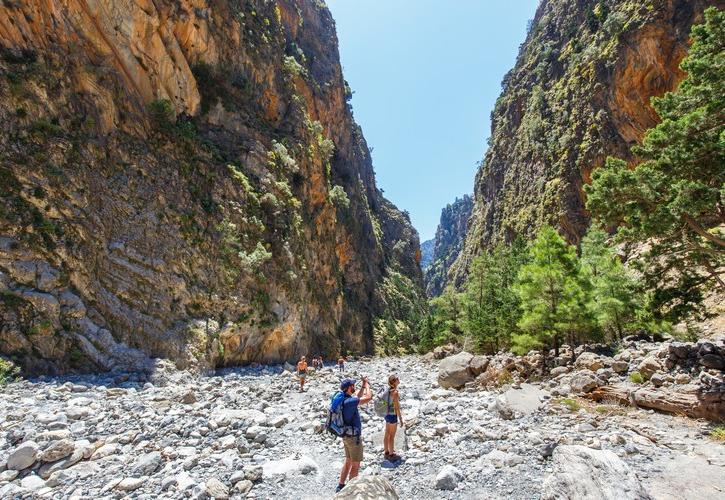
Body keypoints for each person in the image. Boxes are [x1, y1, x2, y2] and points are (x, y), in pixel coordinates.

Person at [336, 377, 372, 493]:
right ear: (348, 388)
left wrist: (362, 386)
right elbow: (368, 397)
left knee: (348, 461)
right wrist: (367, 385)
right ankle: (350, 492)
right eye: (353, 386)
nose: (354, 387)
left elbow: (358, 397)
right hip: (353, 438)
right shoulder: (350, 402)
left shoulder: (344, 400)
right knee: (355, 465)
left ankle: (340, 486)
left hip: (346, 436)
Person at [382, 374, 404, 461]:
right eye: (397, 379)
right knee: (392, 436)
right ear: (394, 382)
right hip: (392, 415)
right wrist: (401, 419)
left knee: (387, 433)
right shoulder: (395, 392)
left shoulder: (387, 390)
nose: (399, 380)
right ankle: (391, 455)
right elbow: (397, 407)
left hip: (386, 414)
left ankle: (386, 451)